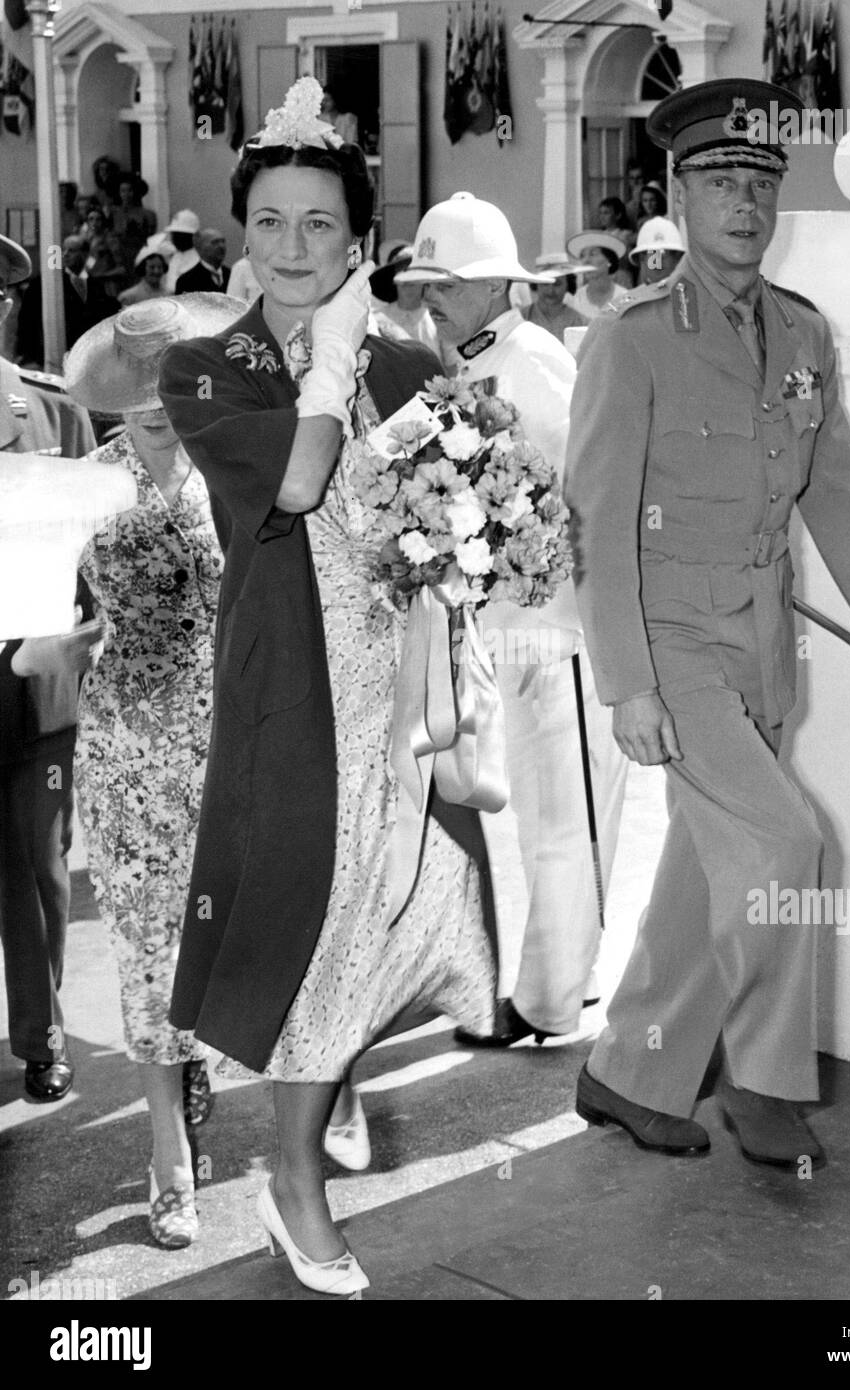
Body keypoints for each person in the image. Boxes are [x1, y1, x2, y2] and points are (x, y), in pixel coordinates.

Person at [157, 78, 497, 1296]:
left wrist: (475, 496)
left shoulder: (409, 361)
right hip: (293, 697)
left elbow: (480, 503)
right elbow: (300, 487)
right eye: (270, 223)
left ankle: (325, 1078)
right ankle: (293, 1177)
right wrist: (332, 366)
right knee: (318, 920)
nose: (293, 248)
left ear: (358, 243)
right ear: (240, 235)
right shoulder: (204, 368)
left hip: (406, 693)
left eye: (319, 227)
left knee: (409, 914)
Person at [565, 79, 850, 1167]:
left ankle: (624, 1070)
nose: (743, 203)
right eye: (720, 182)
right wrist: (627, 681)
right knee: (784, 840)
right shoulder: (629, 340)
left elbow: (841, 489)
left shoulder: (803, 334)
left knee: (703, 864)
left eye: (759, 183)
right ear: (675, 196)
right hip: (670, 641)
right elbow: (592, 520)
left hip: (763, 645)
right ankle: (765, 1085)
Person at [401, 193, 627, 1049]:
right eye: (425, 281)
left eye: (446, 283)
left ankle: (546, 1002)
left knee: (564, 817)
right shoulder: (458, 360)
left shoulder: (532, 362)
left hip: (560, 623)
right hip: (508, 625)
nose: (430, 297)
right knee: (545, 814)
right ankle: (571, 976)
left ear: (498, 287)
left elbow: (589, 486)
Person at [60, 294, 241, 1248]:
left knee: (211, 944)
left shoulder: (233, 470)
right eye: (136, 389)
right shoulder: (84, 485)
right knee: (144, 957)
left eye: (171, 383)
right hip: (125, 746)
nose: (155, 404)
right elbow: (50, 606)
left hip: (221, 743)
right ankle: (171, 1171)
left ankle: (195, 1050)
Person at [0, 232, 98, 1104]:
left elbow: (96, 554)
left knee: (40, 869)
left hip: (34, 683)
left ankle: (41, 1036)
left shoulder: (55, 413)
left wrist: (87, 634)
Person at [15, 235, 116, 367]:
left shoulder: (95, 285)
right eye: (64, 250)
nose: (66, 255)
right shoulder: (44, 283)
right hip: (51, 359)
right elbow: (27, 320)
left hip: (86, 360)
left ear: (85, 254)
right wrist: (27, 356)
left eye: (72, 251)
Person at [370, 243, 440, 356]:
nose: (407, 279)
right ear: (394, 278)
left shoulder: (439, 320)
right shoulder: (375, 320)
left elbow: (452, 368)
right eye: (402, 271)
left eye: (413, 272)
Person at [520, 253, 589, 343]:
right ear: (536, 284)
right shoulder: (521, 318)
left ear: (567, 285)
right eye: (545, 283)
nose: (550, 291)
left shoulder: (580, 322)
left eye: (557, 284)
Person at [567, 229, 628, 319]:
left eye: (593, 254)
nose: (586, 260)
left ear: (609, 260)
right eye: (582, 256)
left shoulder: (624, 297)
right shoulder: (577, 300)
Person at [110, 174, 157, 271]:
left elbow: (150, 239)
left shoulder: (148, 215)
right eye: (123, 191)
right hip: (118, 259)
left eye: (130, 190)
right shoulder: (113, 213)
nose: (126, 194)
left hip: (138, 256)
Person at [81, 207, 128, 302]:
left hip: (109, 286)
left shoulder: (110, 239)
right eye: (91, 219)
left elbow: (121, 269)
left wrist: (102, 275)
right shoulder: (90, 239)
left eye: (98, 219)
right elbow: (92, 260)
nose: (94, 223)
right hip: (93, 285)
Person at [629, 216, 685, 286]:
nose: (658, 260)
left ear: (677, 257)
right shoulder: (633, 296)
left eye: (662, 252)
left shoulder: (692, 294)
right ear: (642, 258)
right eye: (653, 252)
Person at [118, 238, 174, 307]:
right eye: (152, 267)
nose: (156, 271)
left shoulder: (169, 294)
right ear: (142, 269)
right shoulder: (129, 297)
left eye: (160, 267)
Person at [175, 229, 230, 294]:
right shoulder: (187, 281)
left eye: (223, 241)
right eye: (215, 242)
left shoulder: (231, 275)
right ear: (199, 248)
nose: (221, 246)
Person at [161, 211, 201, 293]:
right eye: (174, 234)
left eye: (179, 234)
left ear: (191, 236)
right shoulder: (174, 256)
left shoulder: (199, 260)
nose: (174, 238)